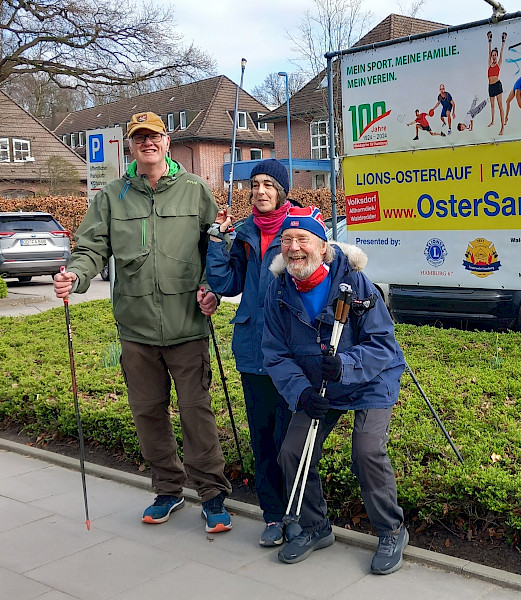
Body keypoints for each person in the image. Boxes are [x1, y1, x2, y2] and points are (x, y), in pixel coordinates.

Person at [53, 111, 233, 534]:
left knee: (196, 412)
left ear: (167, 142)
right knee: (148, 412)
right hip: (135, 330)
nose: (147, 143)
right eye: (139, 138)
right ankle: (168, 489)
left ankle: (211, 494)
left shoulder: (196, 190)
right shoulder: (112, 196)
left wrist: (211, 288)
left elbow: (216, 250)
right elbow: (90, 247)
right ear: (131, 147)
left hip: (187, 326)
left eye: (154, 136)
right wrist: (74, 276)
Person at [261, 206, 408, 575]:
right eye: (287, 240)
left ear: (323, 247)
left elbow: (383, 344)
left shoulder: (355, 282)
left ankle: (392, 530)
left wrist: (348, 363)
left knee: (367, 451)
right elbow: (275, 353)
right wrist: (300, 392)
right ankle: (315, 527)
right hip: (318, 384)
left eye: (303, 240)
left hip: (371, 378)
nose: (294, 248)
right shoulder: (278, 290)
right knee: (292, 452)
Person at [206, 159, 295, 547]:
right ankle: (273, 516)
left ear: (282, 191)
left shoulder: (300, 231)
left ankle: (303, 514)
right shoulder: (243, 233)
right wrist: (216, 242)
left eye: (268, 185)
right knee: (262, 437)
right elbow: (225, 283)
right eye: (254, 184)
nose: (260, 191)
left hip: (291, 352)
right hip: (252, 349)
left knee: (290, 440)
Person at [486, 30, 507, 135]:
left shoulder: (498, 63)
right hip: (490, 86)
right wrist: (489, 40)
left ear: (497, 56)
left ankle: (502, 127)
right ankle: (492, 121)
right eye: (492, 55)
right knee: (492, 105)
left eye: (495, 55)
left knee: (500, 106)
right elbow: (489, 51)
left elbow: (502, 51)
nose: (494, 56)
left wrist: (503, 41)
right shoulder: (489, 63)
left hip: (497, 85)